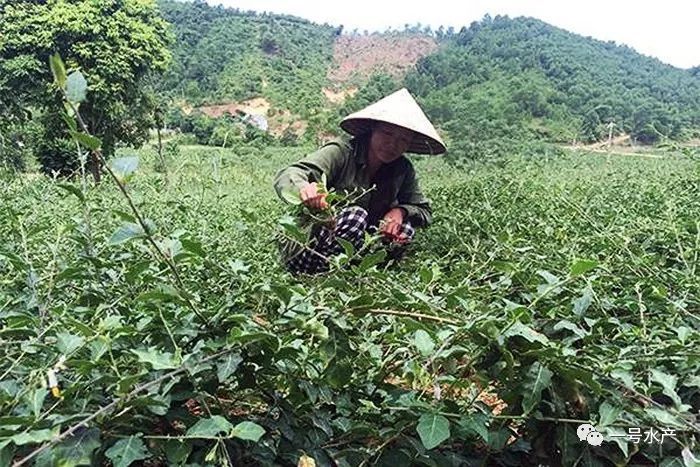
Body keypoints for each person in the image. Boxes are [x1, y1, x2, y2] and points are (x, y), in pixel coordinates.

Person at [273, 88, 446, 274]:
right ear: (373, 129)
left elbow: (424, 211)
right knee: (356, 216)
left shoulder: (402, 169)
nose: (393, 144)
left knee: (405, 229)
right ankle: (325, 277)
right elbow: (291, 173)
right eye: (388, 134)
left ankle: (363, 273)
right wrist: (305, 189)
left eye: (403, 139)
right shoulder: (341, 152)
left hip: (357, 250)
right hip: (309, 248)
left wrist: (400, 211)